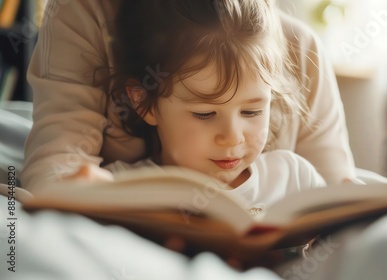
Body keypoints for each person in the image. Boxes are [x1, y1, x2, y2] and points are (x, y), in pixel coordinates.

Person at [22, 0, 357, 192]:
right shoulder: (83, 14)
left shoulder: (300, 47)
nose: (232, 138)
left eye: (253, 111)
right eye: (204, 113)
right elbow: (56, 172)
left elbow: (336, 199)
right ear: (141, 100)